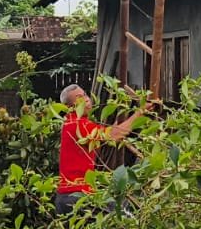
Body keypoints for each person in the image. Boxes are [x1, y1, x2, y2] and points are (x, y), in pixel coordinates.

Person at [55, 84, 145, 216]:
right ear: (70, 107)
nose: (86, 99)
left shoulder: (73, 123)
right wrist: (140, 112)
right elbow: (115, 135)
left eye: (85, 94)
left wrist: (123, 107)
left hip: (67, 196)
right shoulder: (78, 125)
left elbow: (110, 133)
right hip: (77, 195)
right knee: (126, 220)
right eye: (79, 98)